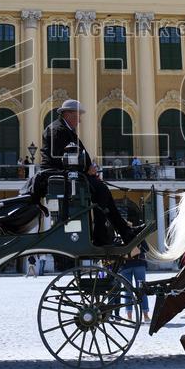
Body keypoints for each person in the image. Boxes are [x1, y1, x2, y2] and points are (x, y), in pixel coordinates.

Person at [40, 99, 139, 245]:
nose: (79, 120)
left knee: (103, 191)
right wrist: (87, 169)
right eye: (77, 116)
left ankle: (124, 231)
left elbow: (75, 154)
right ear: (68, 114)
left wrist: (89, 169)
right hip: (62, 175)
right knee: (101, 191)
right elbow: (62, 157)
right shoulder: (58, 130)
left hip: (73, 174)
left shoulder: (65, 129)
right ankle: (102, 236)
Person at [120, 241, 151, 323]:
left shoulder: (120, 236)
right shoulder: (138, 234)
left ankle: (129, 317)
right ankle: (146, 316)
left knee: (128, 291)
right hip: (139, 263)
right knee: (141, 290)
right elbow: (146, 248)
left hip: (125, 265)